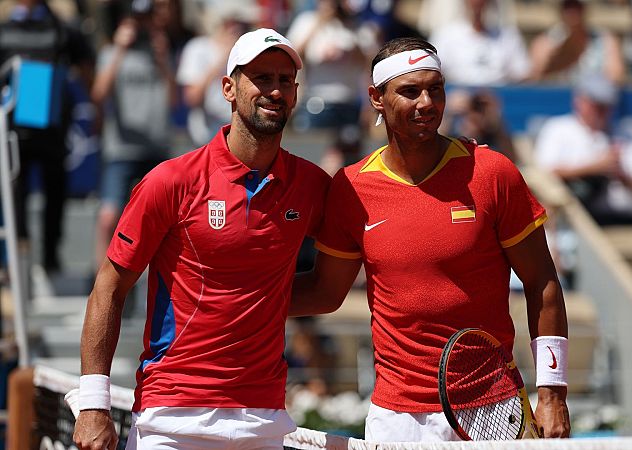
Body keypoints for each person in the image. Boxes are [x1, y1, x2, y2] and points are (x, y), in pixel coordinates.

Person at [290, 37, 570, 441]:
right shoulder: (350, 188)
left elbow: (542, 283)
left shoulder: (493, 172)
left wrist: (553, 393)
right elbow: (325, 291)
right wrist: (230, 301)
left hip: (492, 406)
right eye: (410, 91)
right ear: (376, 98)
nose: (426, 102)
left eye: (435, 88)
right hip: (394, 417)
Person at [72, 28, 330, 449]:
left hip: (263, 420)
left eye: (285, 80)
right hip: (172, 417)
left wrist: (254, 302)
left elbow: (330, 288)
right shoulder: (171, 180)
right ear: (228, 88)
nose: (275, 90)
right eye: (261, 78)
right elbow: (109, 288)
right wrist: (93, 404)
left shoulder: (312, 185)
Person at [0, 0, 95, 272]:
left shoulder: (60, 28)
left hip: (52, 126)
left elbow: (86, 64)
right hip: (12, 129)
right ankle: (19, 255)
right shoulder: (4, 29)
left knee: (55, 191)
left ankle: (51, 257)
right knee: (15, 190)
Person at [91, 0, 179, 270]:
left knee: (166, 222)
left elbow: (175, 101)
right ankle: (101, 284)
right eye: (138, 18)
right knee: (108, 218)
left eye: (148, 18)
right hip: (121, 150)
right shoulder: (111, 53)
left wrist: (163, 61)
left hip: (157, 149)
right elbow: (98, 94)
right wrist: (119, 49)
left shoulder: (162, 52)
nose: (143, 25)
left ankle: (156, 286)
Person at [534, 74, 632, 226]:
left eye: (606, 106)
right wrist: (594, 168)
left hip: (630, 217)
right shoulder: (558, 129)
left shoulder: (625, 134)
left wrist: (622, 175)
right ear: (579, 101)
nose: (601, 112)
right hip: (582, 220)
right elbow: (545, 175)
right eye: (596, 105)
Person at [286, 0, 372, 174]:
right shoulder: (307, 21)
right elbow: (292, 55)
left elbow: (370, 62)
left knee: (349, 162)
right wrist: (320, 22)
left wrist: (350, 51)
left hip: (349, 101)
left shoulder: (356, 25)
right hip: (317, 101)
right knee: (311, 158)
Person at [177, 0, 257, 147]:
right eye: (242, 23)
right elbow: (192, 98)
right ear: (229, 23)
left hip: (240, 143)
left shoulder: (248, 53)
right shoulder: (198, 48)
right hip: (205, 141)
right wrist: (223, 59)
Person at [428, 0, 531, 86]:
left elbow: (523, 75)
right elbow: (431, 72)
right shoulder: (444, 35)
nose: (477, 3)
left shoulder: (509, 36)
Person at [529, 0, 625, 85]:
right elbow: (534, 78)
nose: (572, 12)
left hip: (594, 101)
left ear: (585, 9)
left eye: (576, 6)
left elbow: (616, 77)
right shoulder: (545, 41)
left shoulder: (606, 39)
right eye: (567, 6)